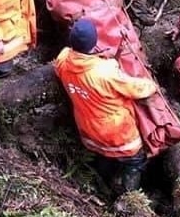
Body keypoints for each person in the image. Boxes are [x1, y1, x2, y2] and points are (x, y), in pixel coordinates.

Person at [53, 18, 157, 193]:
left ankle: (103, 184)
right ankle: (129, 195)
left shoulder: (63, 60)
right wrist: (152, 85)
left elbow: (67, 63)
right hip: (118, 135)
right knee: (136, 160)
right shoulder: (104, 72)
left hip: (88, 130)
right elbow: (137, 89)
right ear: (94, 42)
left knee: (102, 156)